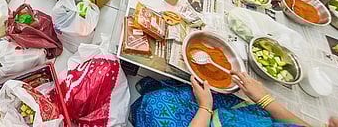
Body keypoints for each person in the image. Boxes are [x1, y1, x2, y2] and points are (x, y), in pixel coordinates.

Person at [130, 71, 310, 126]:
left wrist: (205, 107)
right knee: (192, 90)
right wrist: (264, 99)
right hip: (237, 118)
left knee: (156, 103)